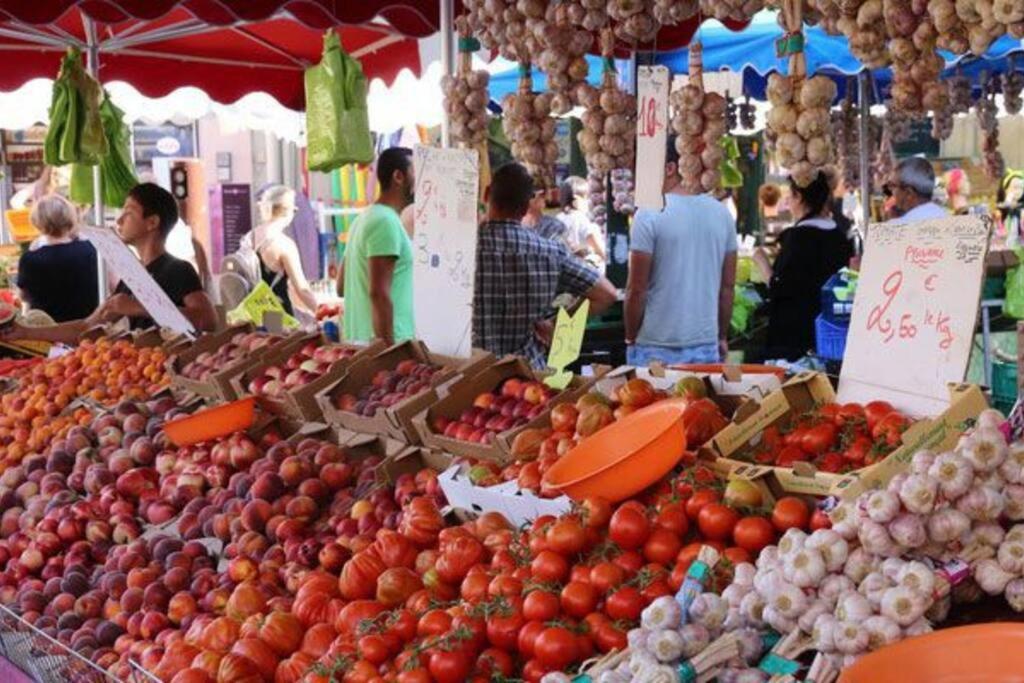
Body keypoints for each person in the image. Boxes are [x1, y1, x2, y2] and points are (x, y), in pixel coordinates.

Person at [3, 183, 217, 343]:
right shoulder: (132, 276)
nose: (119, 220)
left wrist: (139, 307)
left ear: (152, 222)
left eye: (129, 212)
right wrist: (26, 332)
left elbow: (207, 319)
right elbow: (86, 326)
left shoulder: (177, 269)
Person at [474, 162, 618, 368]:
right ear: (525, 207)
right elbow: (607, 295)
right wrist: (558, 323)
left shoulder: (461, 249)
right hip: (529, 377)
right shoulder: (550, 251)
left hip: (470, 374)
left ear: (486, 194)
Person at [624, 135, 738, 365]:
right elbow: (727, 289)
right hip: (706, 345)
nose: (640, 176)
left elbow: (636, 290)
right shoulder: (722, 214)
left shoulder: (648, 214)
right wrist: (722, 336)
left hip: (654, 346)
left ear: (669, 168)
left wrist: (630, 336)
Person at [753, 171, 855, 361]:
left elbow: (779, 286)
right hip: (830, 335)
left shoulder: (799, 238)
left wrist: (762, 262)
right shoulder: (838, 236)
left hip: (796, 340)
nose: (789, 203)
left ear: (799, 197)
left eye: (790, 196)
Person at [337, 147, 415, 345]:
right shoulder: (385, 221)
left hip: (363, 340)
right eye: (416, 171)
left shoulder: (363, 219)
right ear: (398, 176)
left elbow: (341, 286)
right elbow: (378, 293)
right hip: (385, 344)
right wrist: (389, 350)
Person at [16, 194, 98, 322]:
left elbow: (24, 297)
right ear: (70, 217)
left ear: (37, 222)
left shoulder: (30, 259)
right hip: (89, 328)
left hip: (47, 332)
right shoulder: (91, 249)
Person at [245, 185, 318, 317]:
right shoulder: (284, 244)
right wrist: (321, 312)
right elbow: (302, 290)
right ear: (287, 211)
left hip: (251, 314)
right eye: (294, 210)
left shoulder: (249, 237)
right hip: (277, 318)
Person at [557, 177, 607, 270]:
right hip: (582, 272)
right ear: (576, 200)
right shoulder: (581, 219)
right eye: (586, 197)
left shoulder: (558, 218)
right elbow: (600, 250)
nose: (589, 202)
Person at [886, 157, 946, 223]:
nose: (891, 191)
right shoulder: (944, 215)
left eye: (893, 186)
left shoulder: (898, 225)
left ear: (909, 193)